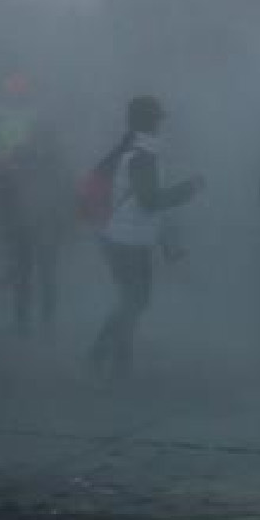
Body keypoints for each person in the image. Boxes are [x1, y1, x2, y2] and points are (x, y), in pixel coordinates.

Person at [90, 96, 205, 380]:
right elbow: (149, 201)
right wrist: (189, 189)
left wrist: (168, 244)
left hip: (127, 238)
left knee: (132, 299)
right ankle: (103, 354)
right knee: (135, 301)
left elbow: (149, 205)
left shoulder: (136, 150)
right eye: (159, 120)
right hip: (127, 240)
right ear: (152, 123)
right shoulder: (142, 155)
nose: (162, 125)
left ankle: (118, 360)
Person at [0, 74, 49, 332]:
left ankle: (20, 267)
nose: (17, 96)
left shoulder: (35, 114)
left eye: (21, 92)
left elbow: (42, 143)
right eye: (14, 92)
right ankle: (13, 264)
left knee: (24, 221)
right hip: (3, 174)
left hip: (29, 175)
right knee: (7, 222)